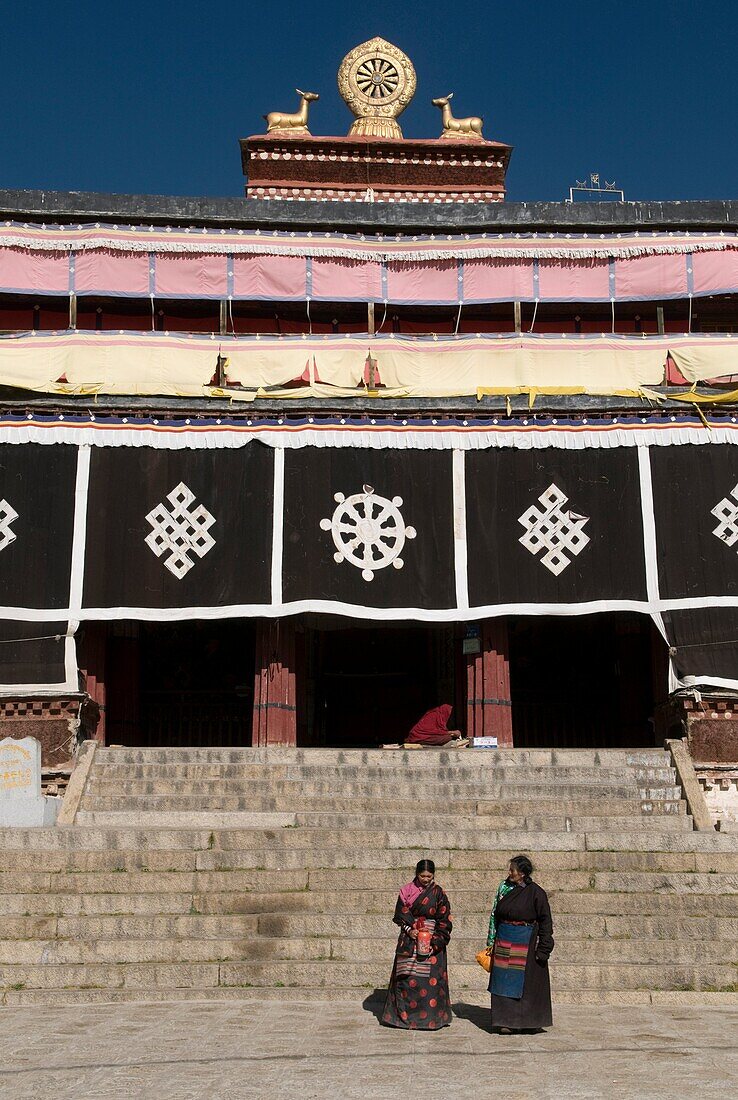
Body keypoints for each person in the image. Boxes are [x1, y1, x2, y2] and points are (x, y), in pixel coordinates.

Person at [485, 854, 554, 1034]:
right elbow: (495, 914)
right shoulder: (504, 889)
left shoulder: (536, 893)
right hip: (504, 940)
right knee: (503, 983)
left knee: (527, 983)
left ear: (522, 873)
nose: (510, 873)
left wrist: (544, 947)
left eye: (513, 870)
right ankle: (504, 1021)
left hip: (526, 942)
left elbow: (546, 920)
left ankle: (529, 1022)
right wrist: (491, 940)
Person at [381, 859, 453, 1030]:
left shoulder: (439, 893)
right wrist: (410, 930)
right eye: (422, 876)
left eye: (429, 876)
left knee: (429, 983)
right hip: (409, 939)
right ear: (416, 874)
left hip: (431, 941)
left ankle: (431, 1019)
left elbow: (444, 919)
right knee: (406, 978)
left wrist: (433, 942)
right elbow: (400, 915)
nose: (426, 879)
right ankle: (403, 1018)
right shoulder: (406, 891)